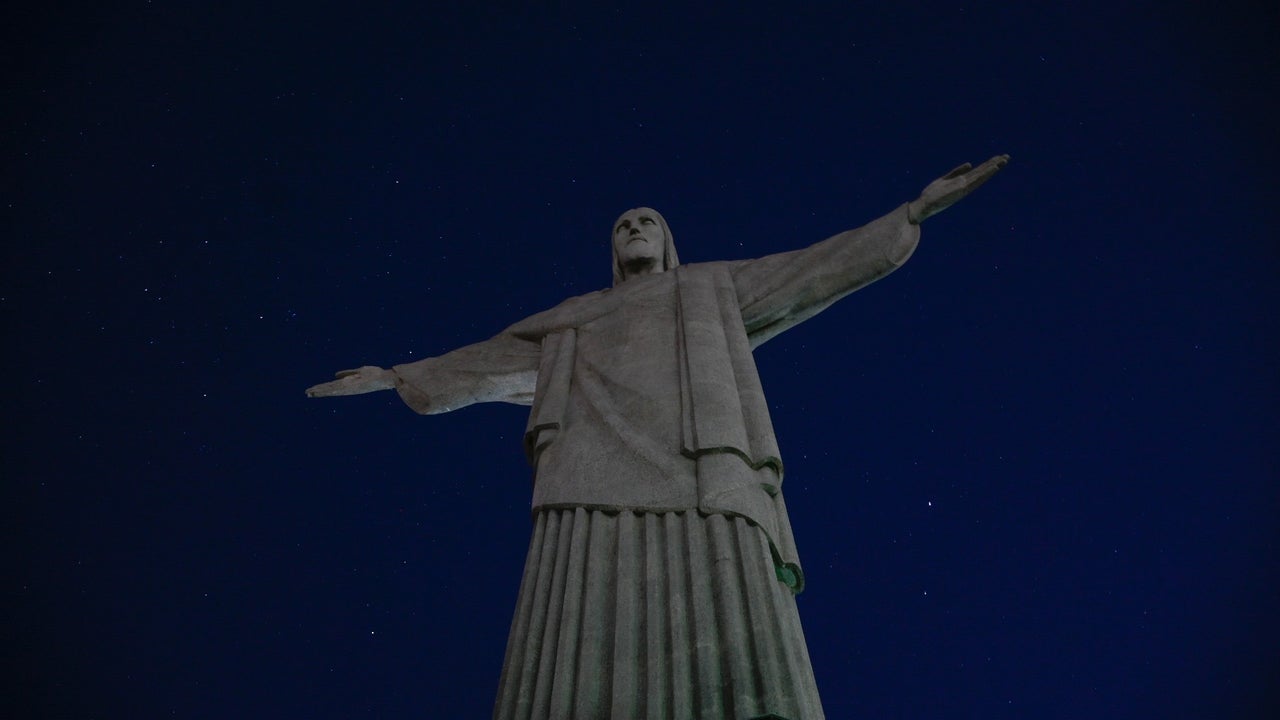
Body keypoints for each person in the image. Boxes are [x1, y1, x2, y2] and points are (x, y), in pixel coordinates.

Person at [307, 155, 1008, 720]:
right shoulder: (572, 316)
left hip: (704, 465)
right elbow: (484, 360)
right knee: (577, 625)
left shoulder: (709, 288)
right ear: (612, 248)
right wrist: (394, 374)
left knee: (729, 607)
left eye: (648, 221)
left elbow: (810, 272)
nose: (636, 228)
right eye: (623, 224)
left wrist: (909, 213)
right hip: (588, 474)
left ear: (668, 239)